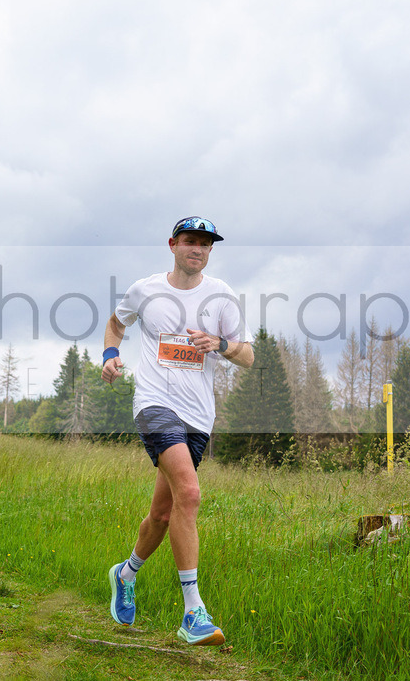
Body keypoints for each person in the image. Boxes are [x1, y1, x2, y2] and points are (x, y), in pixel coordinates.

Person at [101, 216, 254, 646]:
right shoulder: (146, 289)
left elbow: (247, 356)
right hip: (154, 404)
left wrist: (220, 345)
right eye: (190, 241)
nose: (197, 249)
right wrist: (111, 354)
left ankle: (125, 573)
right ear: (173, 244)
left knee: (164, 514)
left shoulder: (222, 296)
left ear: (211, 250)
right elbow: (116, 323)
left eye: (205, 243)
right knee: (190, 492)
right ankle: (193, 612)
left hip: (198, 417)